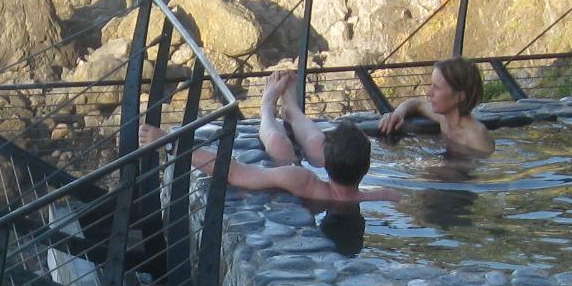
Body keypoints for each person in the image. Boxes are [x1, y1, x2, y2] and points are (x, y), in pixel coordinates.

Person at [137, 70, 395, 206]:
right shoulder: (383, 195)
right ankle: (292, 109)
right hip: (340, 186)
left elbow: (234, 172)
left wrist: (170, 142)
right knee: (315, 143)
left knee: (280, 144)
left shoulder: (304, 181)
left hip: (295, 181)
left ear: (326, 164)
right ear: (367, 167)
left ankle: (267, 107)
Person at [378, 56, 494, 157]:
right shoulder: (444, 118)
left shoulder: (477, 138)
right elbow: (418, 103)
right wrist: (398, 113)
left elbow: (482, 176)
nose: (429, 93)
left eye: (436, 87)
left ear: (460, 96)